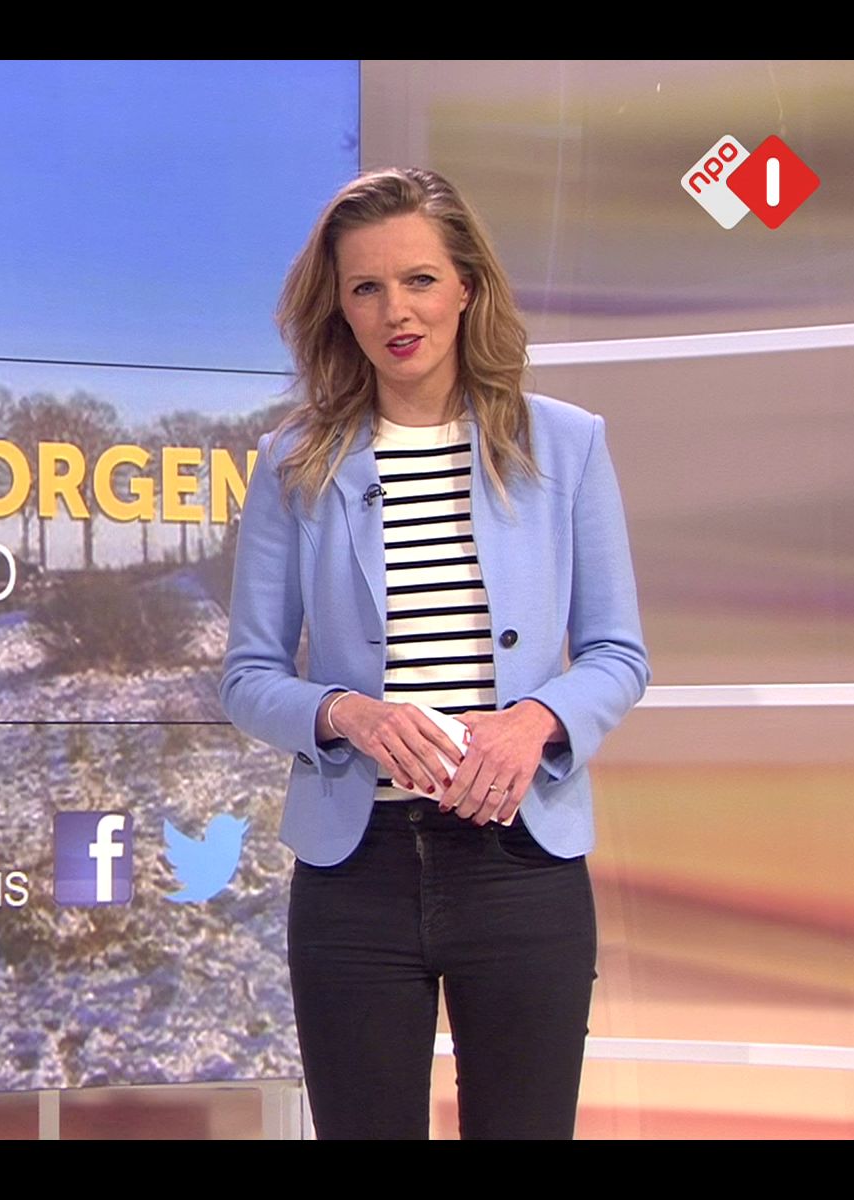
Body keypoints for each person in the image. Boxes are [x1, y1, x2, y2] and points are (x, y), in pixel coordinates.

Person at [218, 166, 650, 1139]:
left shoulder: (566, 446)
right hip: (356, 876)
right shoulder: (294, 463)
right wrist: (345, 714)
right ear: (339, 308)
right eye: (366, 287)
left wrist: (535, 722)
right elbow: (248, 677)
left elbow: (617, 653)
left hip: (520, 865)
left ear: (466, 286)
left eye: (418, 280)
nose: (396, 312)